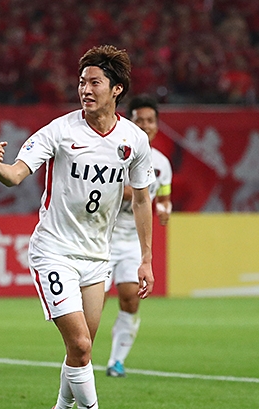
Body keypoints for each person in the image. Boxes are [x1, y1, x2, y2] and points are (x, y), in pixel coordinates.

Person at [0, 45, 156, 409]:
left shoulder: (133, 140)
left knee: (80, 351)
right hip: (55, 251)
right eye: (81, 82)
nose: (85, 89)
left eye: (94, 82)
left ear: (116, 89)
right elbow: (16, 175)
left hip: (97, 257)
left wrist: (146, 258)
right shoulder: (59, 131)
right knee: (80, 344)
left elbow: (141, 200)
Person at [105, 95, 173, 378]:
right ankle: (78, 355)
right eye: (139, 120)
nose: (145, 125)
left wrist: (166, 209)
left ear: (157, 126)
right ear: (129, 121)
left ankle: (116, 361)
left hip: (133, 240)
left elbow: (166, 196)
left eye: (150, 120)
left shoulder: (161, 163)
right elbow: (118, 190)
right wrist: (144, 196)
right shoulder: (114, 152)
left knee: (131, 298)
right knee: (90, 303)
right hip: (102, 237)